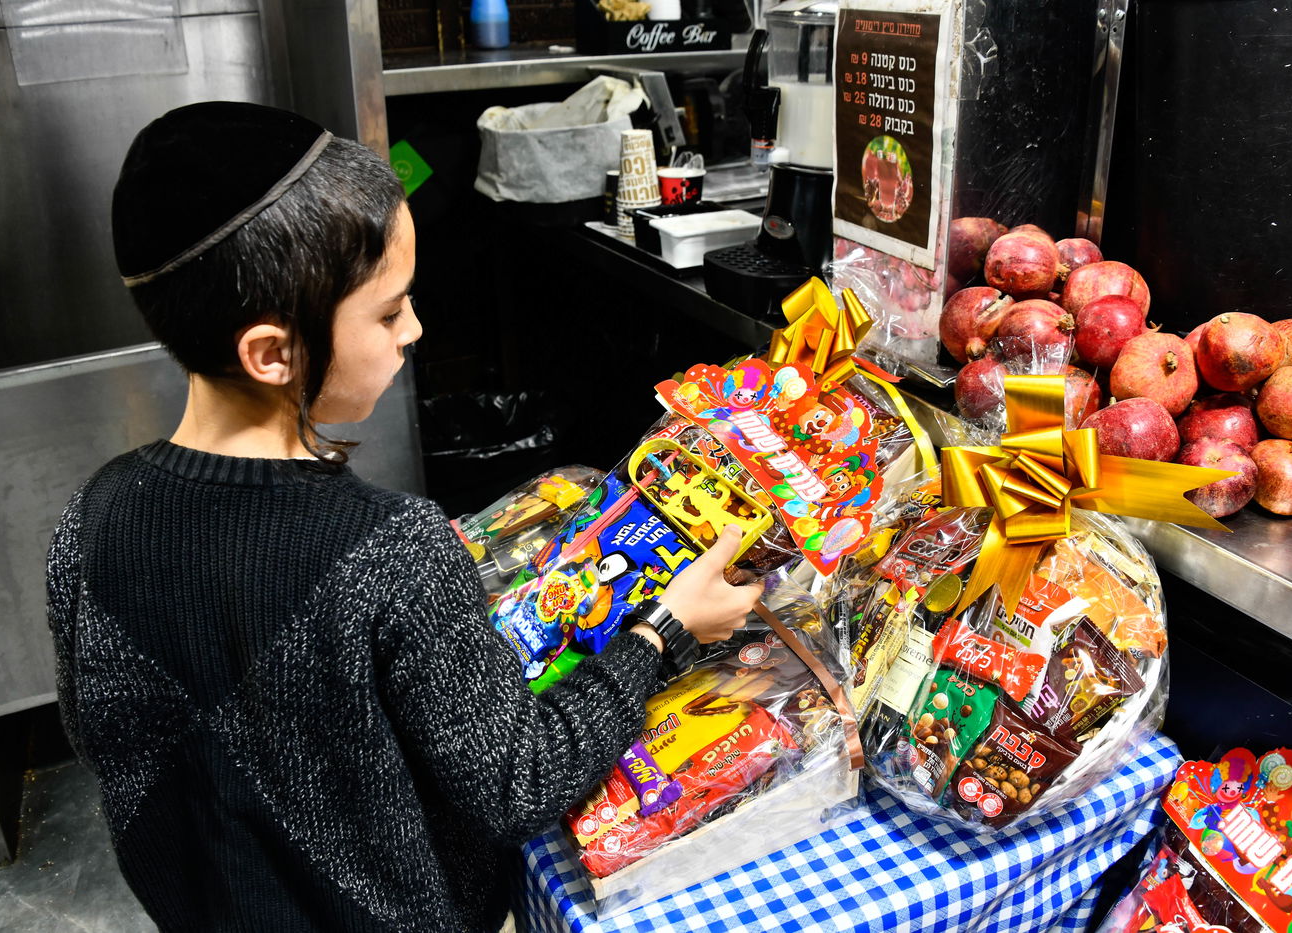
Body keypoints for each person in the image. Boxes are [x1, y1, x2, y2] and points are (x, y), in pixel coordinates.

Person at [45, 101, 763, 932]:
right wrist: (664, 632)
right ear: (272, 352)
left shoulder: (86, 522)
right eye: (388, 313)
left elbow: (146, 749)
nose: (415, 329)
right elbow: (521, 780)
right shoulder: (392, 550)